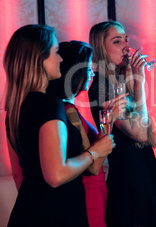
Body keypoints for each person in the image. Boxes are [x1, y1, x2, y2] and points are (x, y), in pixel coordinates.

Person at [4, 25, 115, 227]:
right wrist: (95, 152)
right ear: (39, 58)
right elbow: (55, 175)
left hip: (29, 210)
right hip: (58, 211)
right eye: (56, 52)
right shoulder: (49, 105)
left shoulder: (15, 110)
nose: (61, 60)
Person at [88, 21, 156, 227]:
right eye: (117, 42)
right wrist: (140, 81)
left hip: (141, 171)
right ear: (101, 48)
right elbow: (140, 134)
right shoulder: (101, 85)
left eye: (126, 40)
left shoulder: (119, 80)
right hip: (129, 178)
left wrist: (133, 80)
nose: (126, 46)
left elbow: (144, 131)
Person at [47, 41, 127, 227]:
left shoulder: (68, 107)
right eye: (88, 68)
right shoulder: (68, 110)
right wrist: (111, 119)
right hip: (88, 193)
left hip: (95, 191)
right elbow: (92, 166)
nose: (92, 73)